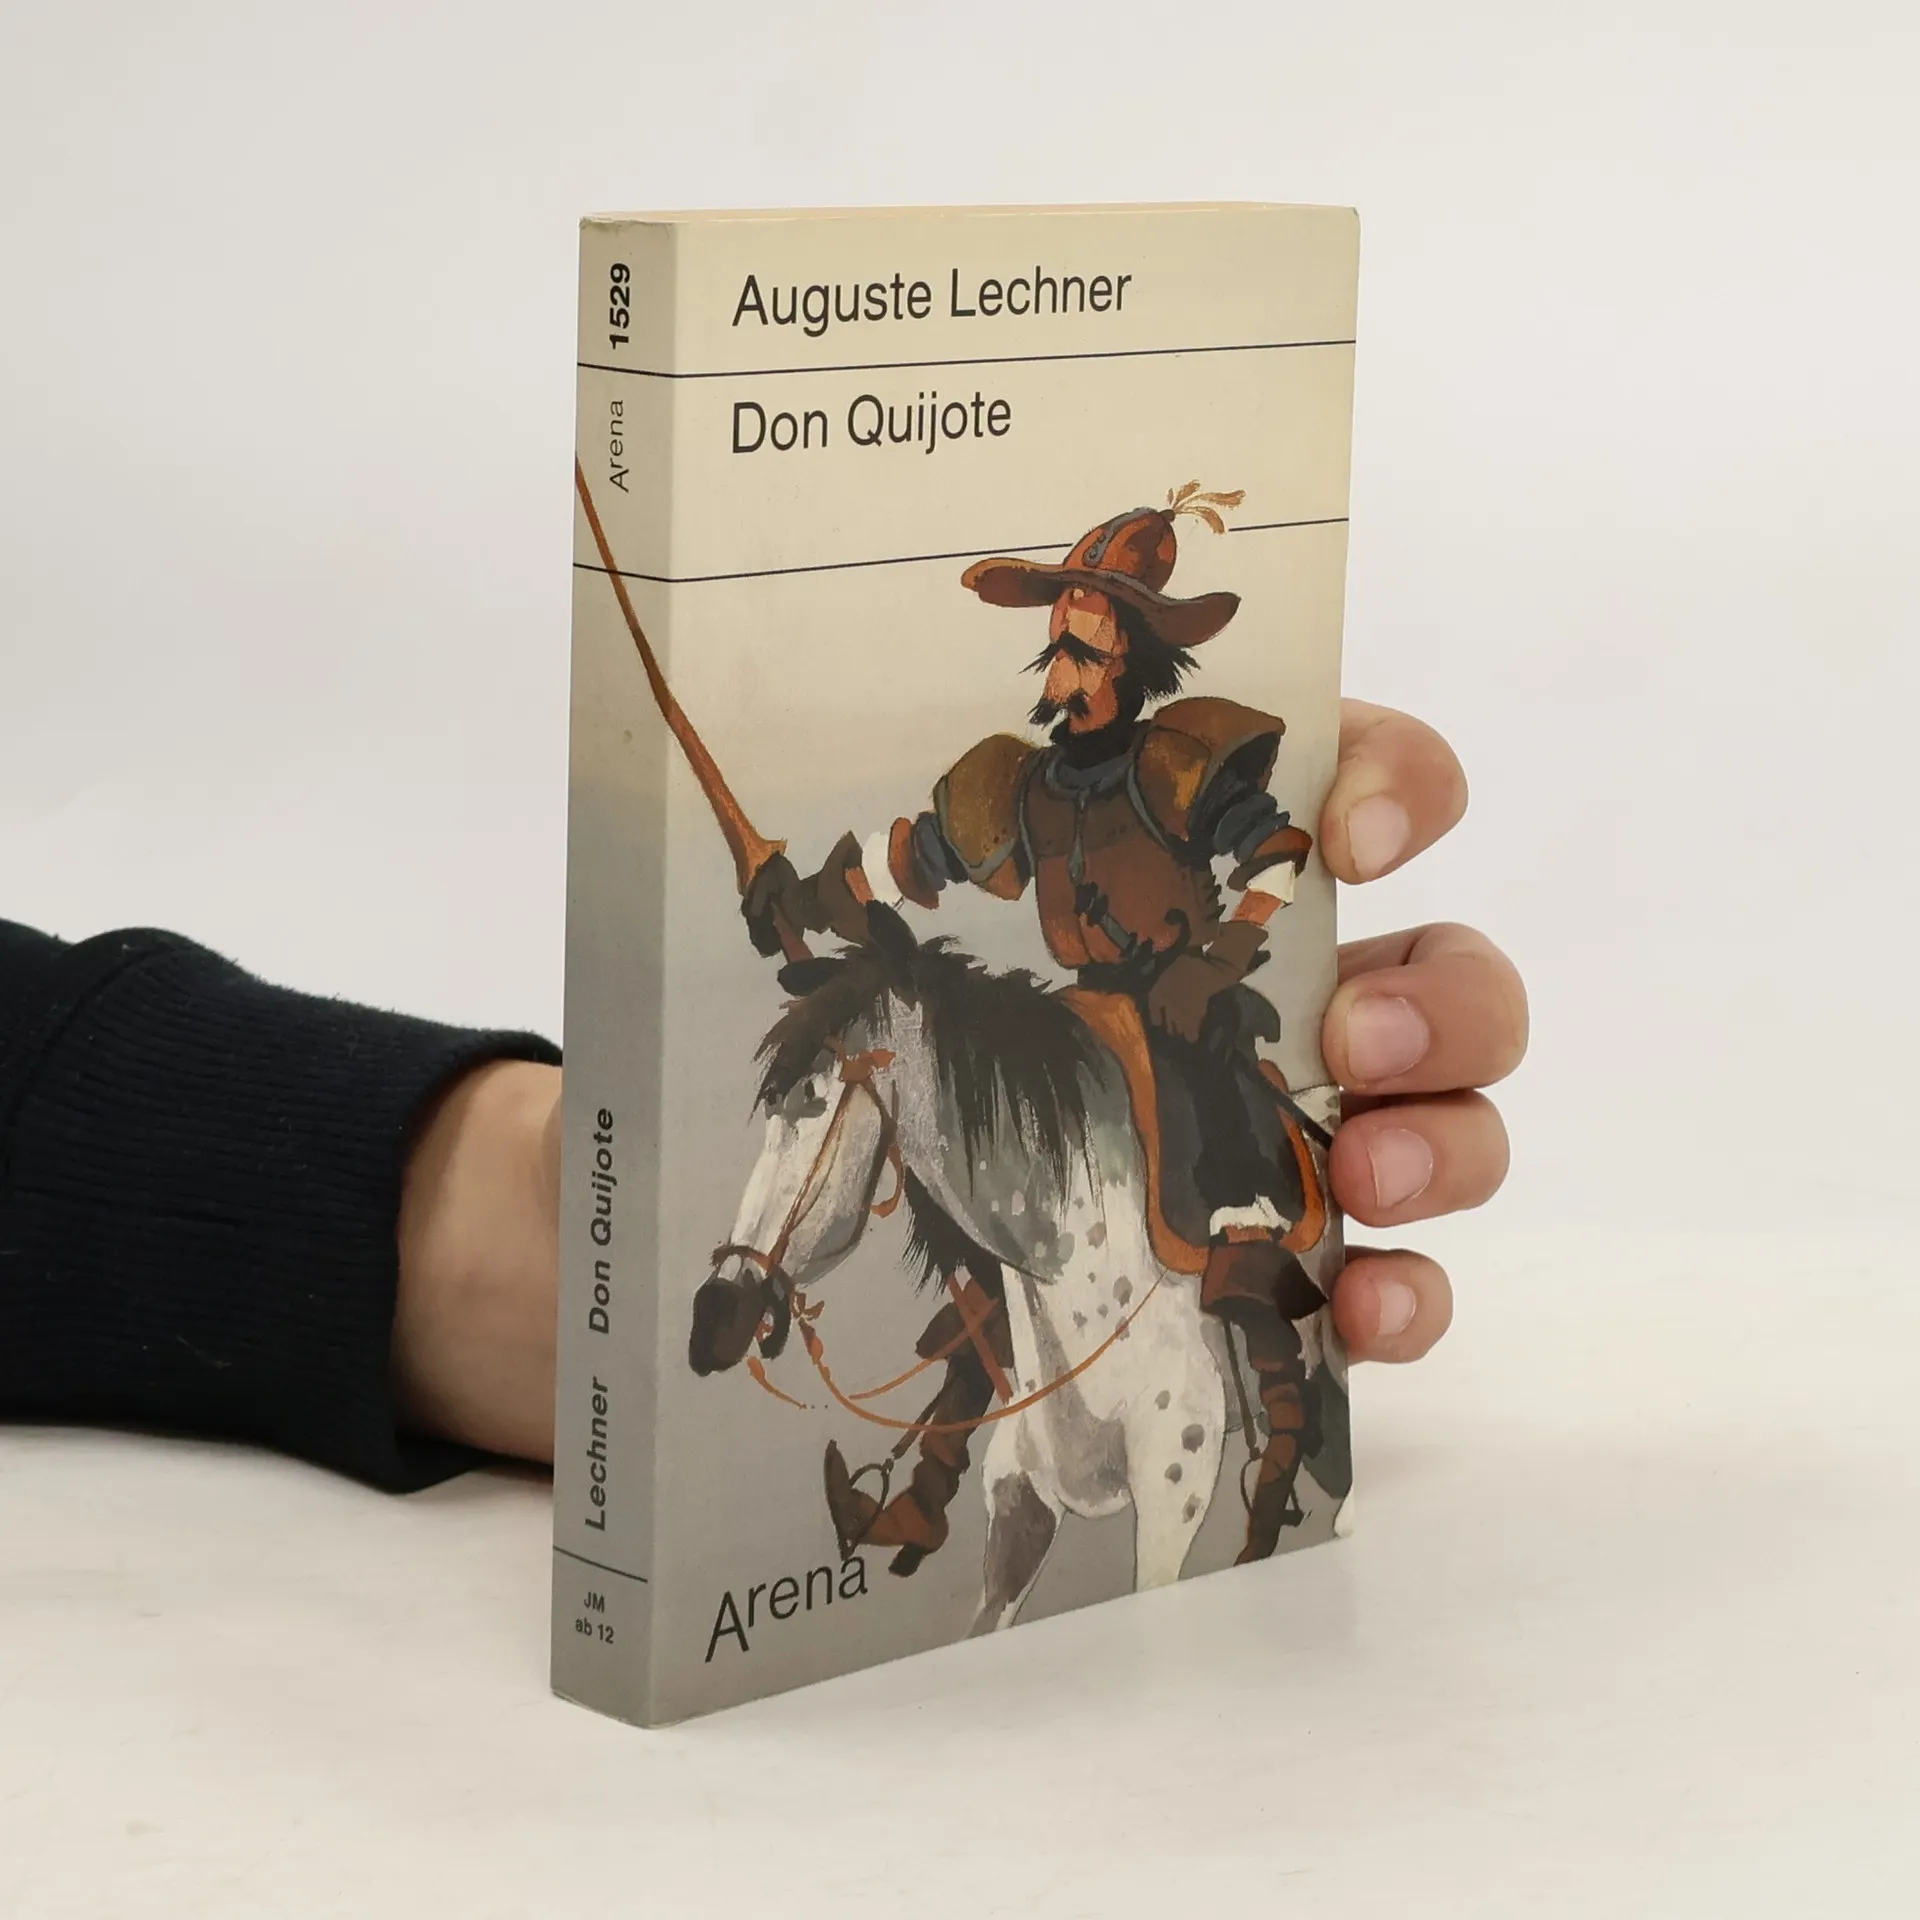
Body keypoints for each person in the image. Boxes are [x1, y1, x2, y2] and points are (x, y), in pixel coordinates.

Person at [0, 696, 1526, 1493]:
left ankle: (1271, 1402)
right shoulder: (1015, 778)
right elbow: (913, 868)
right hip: (1076, 1017)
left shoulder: (1190, 763)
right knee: (965, 1195)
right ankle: (943, 1460)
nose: (1067, 669)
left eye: (1089, 643)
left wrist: (1245, 947)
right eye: (1058, 644)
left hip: (1187, 999)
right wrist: (809, 897)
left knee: (1235, 1155)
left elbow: (1275, 852)